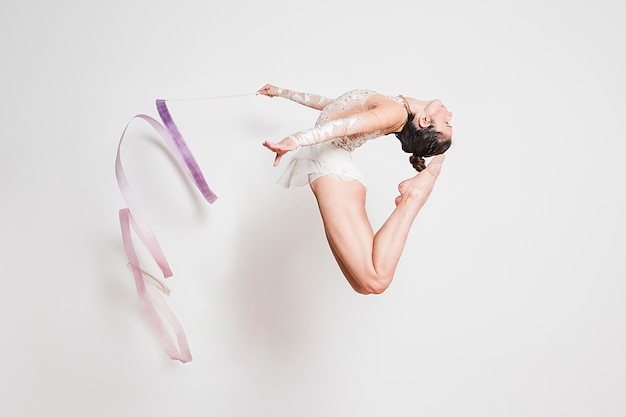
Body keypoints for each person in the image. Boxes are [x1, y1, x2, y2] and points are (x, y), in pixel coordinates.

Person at [258, 84, 452, 294]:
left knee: (375, 282)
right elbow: (333, 109)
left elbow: (345, 126)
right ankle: (416, 191)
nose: (449, 114)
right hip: (334, 173)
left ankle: (414, 196)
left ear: (425, 121)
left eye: (447, 122)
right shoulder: (394, 106)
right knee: (362, 286)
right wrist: (281, 92)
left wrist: (295, 140)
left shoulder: (395, 111)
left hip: (335, 175)